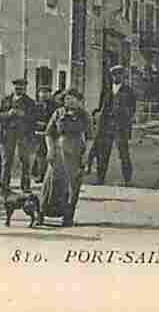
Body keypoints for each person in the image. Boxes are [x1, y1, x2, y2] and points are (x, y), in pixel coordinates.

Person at [40, 88, 89, 227]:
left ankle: (68, 217)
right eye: (67, 98)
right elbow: (49, 133)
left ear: (79, 101)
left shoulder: (84, 115)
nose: (70, 101)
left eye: (73, 99)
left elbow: (90, 137)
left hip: (75, 153)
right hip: (58, 152)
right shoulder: (58, 113)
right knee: (50, 183)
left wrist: (86, 155)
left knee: (72, 185)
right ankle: (42, 214)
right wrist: (50, 149)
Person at [92, 65, 136, 186]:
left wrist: (126, 119)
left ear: (123, 76)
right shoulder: (106, 90)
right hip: (107, 126)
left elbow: (132, 109)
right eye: (115, 75)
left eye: (120, 74)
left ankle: (128, 179)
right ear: (112, 76)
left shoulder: (128, 91)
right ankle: (100, 178)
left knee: (124, 154)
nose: (117, 77)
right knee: (103, 153)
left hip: (121, 127)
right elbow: (101, 106)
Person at [0, 78, 37, 194]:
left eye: (21, 87)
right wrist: (7, 114)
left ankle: (25, 186)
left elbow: (34, 119)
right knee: (6, 162)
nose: (19, 89)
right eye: (16, 87)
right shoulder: (5, 100)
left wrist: (24, 115)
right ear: (13, 87)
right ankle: (4, 186)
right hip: (7, 135)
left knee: (25, 161)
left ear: (25, 88)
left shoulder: (30, 102)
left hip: (23, 135)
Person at [32, 86, 57, 184]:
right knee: (40, 156)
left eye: (46, 92)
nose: (43, 94)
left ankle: (50, 176)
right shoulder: (35, 106)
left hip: (51, 134)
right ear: (38, 94)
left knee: (51, 155)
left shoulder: (56, 106)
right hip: (38, 133)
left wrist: (47, 125)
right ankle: (41, 175)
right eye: (42, 92)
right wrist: (36, 124)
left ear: (50, 94)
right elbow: (31, 118)